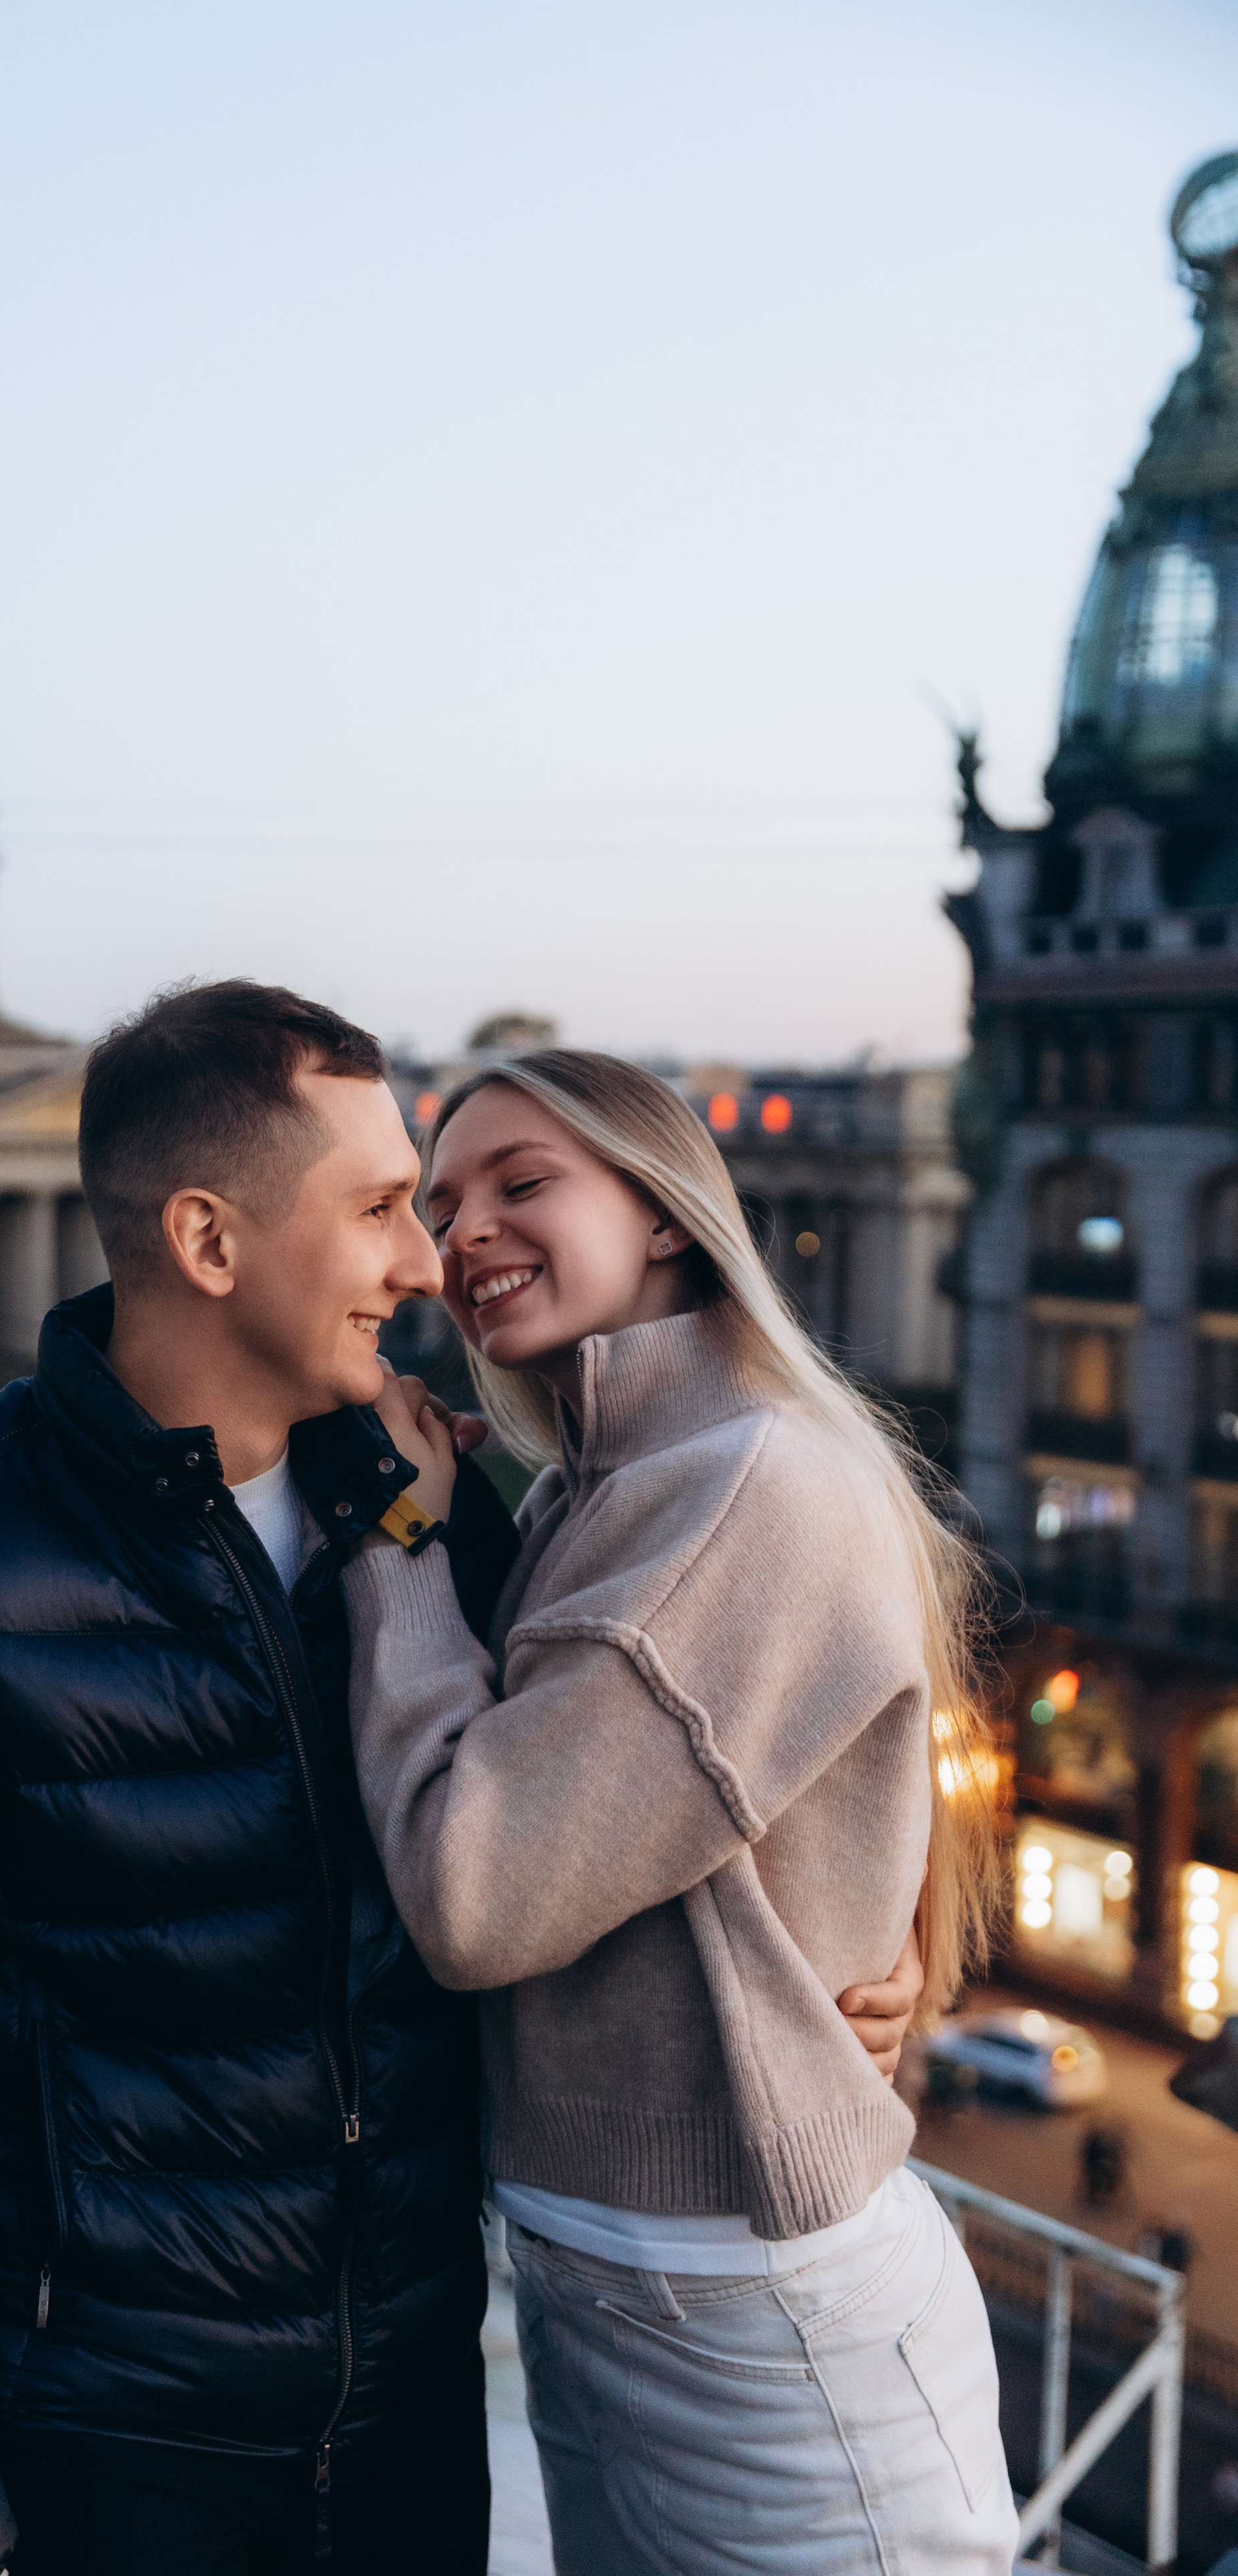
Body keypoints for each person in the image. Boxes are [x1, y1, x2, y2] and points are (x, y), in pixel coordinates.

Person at [0, 985, 923, 2576]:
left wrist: (877, 1952)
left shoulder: (445, 1523)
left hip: (413, 2440)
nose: (429, 1265)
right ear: (209, 1243)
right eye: (380, 1209)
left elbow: (638, 1819)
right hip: (111, 2472)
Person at [343, 1048, 1015, 2576]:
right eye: (438, 1204)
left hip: (749, 2307)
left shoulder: (736, 1478)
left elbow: (475, 1893)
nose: (464, 1235)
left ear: (662, 1216)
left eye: (524, 1183)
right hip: (622, 2277)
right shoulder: (600, 1478)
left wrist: (388, 1538)